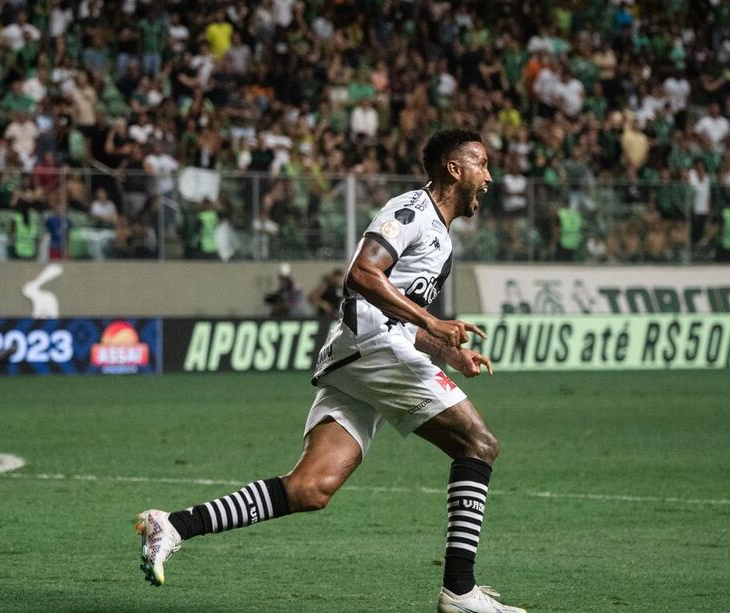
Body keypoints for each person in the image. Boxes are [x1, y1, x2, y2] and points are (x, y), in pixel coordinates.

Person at [136, 130, 525, 613]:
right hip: (370, 345)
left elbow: (400, 314)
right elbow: (362, 275)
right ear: (454, 169)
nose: (488, 176)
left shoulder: (441, 234)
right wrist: (432, 321)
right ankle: (460, 592)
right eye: (482, 164)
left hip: (363, 352)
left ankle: (173, 525)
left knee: (310, 488)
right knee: (478, 444)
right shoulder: (412, 212)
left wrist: (445, 350)